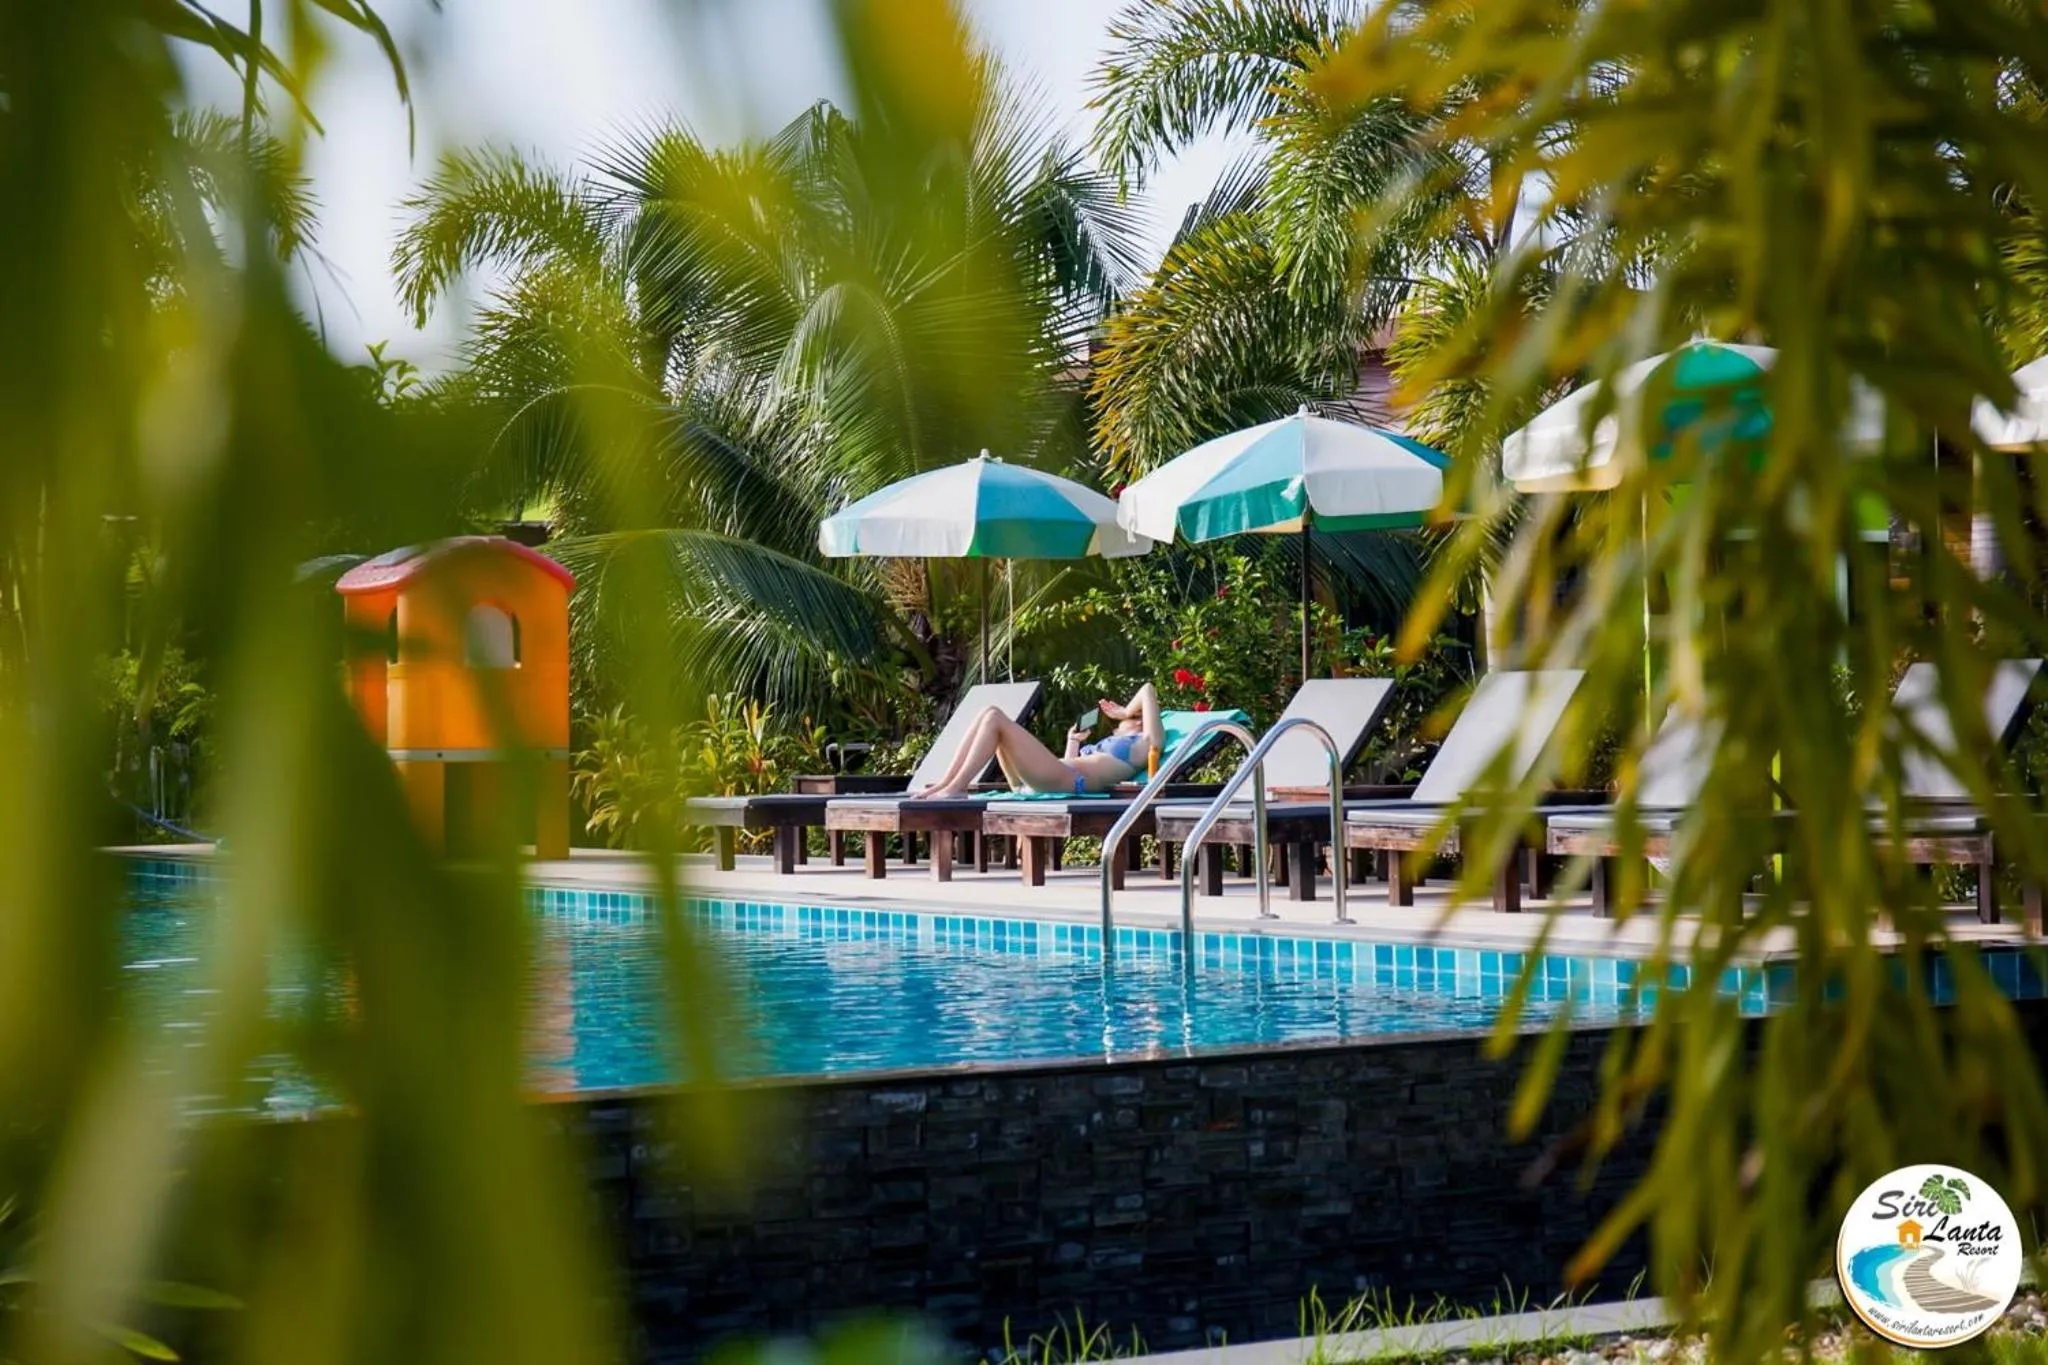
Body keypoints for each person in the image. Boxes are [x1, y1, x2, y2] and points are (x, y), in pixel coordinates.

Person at [910, 683, 1164, 798]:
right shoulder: (1113, 744)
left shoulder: (1144, 744)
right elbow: (1069, 762)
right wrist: (1072, 742)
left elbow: (1148, 690)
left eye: (1127, 719)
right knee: (987, 713)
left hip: (1066, 781)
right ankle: (946, 783)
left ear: (1141, 719)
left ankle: (957, 787)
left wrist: (1127, 711)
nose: (1118, 722)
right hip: (1054, 776)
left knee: (995, 717)